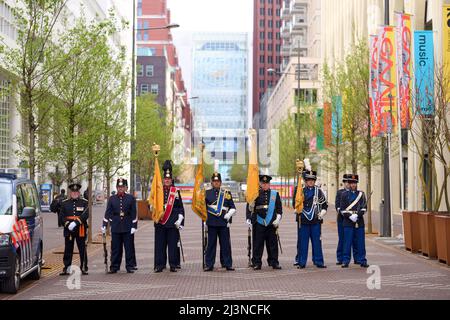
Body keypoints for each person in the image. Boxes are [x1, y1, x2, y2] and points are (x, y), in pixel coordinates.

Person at [246, 175, 283, 270]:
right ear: (260, 184)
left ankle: (274, 262)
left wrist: (277, 219)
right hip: (259, 222)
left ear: (269, 184)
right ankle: (257, 262)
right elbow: (249, 208)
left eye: (267, 183)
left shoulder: (275, 194)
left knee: (273, 244)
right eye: (263, 183)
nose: (265, 185)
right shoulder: (255, 194)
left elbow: (279, 209)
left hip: (271, 223)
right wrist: (249, 218)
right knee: (258, 244)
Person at [154, 160, 185, 273]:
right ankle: (159, 265)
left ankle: (173, 264)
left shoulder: (175, 191)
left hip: (172, 222)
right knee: (159, 245)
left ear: (171, 180)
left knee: (172, 245)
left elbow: (180, 207)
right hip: (160, 222)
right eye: (165, 179)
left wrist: (180, 220)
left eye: (169, 179)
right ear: (163, 180)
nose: (167, 181)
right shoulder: (158, 191)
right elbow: (152, 204)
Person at [102, 178, 137, 274]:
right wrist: (104, 224)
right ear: (117, 187)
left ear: (126, 188)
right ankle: (114, 266)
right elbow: (108, 212)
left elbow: (134, 213)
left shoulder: (131, 198)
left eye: (122, 187)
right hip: (116, 226)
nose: (120, 188)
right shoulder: (112, 199)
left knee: (129, 248)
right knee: (115, 248)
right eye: (119, 187)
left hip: (128, 225)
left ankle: (130, 266)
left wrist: (134, 226)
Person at [204, 172, 236, 272]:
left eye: (218, 181)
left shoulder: (227, 193)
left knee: (226, 244)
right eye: (214, 181)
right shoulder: (206, 193)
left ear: (221, 182)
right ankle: (209, 264)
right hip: (212, 223)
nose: (216, 183)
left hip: (223, 223)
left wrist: (229, 215)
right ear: (211, 182)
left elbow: (232, 207)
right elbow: (203, 208)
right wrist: (204, 221)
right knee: (211, 245)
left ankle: (227, 264)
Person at [297, 170, 328, 269]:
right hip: (303, 220)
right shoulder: (300, 190)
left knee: (317, 242)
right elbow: (296, 203)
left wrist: (322, 213)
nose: (310, 182)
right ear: (305, 181)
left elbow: (324, 205)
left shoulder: (318, 191)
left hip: (315, 220)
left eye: (312, 180)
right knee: (303, 242)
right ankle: (301, 262)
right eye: (308, 180)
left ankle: (319, 261)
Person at [340, 174, 369, 268]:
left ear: (357, 184)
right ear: (348, 184)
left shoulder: (361, 194)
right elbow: (342, 209)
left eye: (354, 183)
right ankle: (345, 260)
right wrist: (350, 216)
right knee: (347, 242)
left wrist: (357, 215)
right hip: (348, 222)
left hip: (359, 221)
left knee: (360, 242)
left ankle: (362, 260)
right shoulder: (344, 195)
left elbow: (364, 208)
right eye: (351, 183)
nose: (353, 185)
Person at [59, 183, 89, 276]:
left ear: (79, 192)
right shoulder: (65, 203)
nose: (75, 193)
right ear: (70, 192)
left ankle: (83, 267)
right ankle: (67, 268)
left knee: (82, 248)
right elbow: (61, 216)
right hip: (69, 229)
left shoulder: (84, 202)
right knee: (68, 248)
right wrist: (68, 224)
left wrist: (76, 223)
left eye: (76, 192)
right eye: (73, 192)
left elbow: (86, 214)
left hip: (80, 228)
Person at [336, 174, 358, 265]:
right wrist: (346, 214)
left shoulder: (357, 193)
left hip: (354, 219)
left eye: (348, 182)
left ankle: (356, 258)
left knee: (354, 239)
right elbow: (338, 206)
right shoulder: (340, 192)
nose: (347, 184)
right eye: (346, 182)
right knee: (342, 239)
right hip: (342, 219)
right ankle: (340, 258)